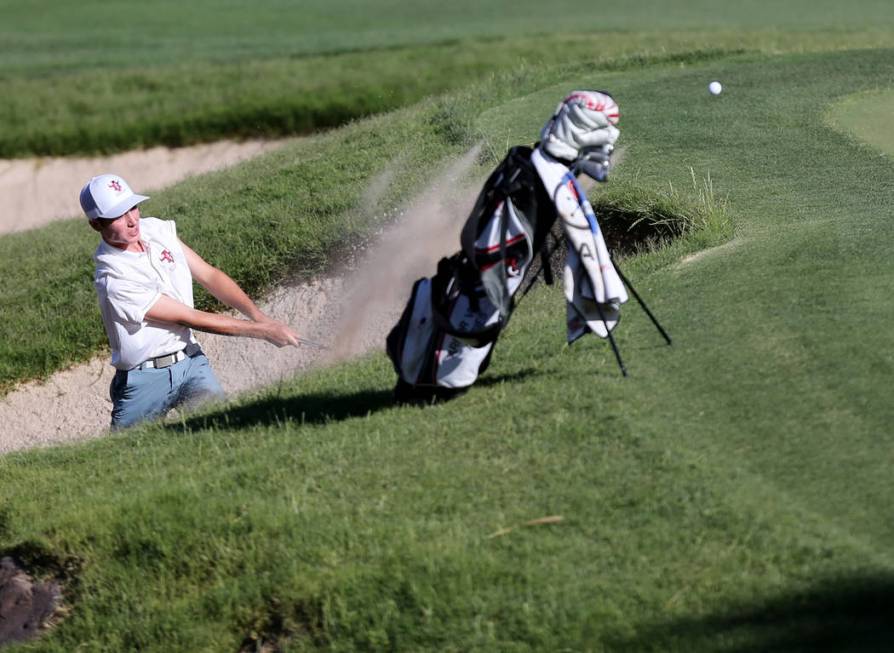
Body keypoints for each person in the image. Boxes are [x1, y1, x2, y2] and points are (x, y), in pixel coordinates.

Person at [80, 173, 301, 429]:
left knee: (229, 430)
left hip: (191, 362)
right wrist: (262, 331)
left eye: (133, 207)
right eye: (118, 215)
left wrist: (261, 318)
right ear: (96, 224)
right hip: (146, 380)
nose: (131, 220)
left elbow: (209, 275)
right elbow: (190, 317)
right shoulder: (114, 279)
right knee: (130, 459)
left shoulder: (155, 229)